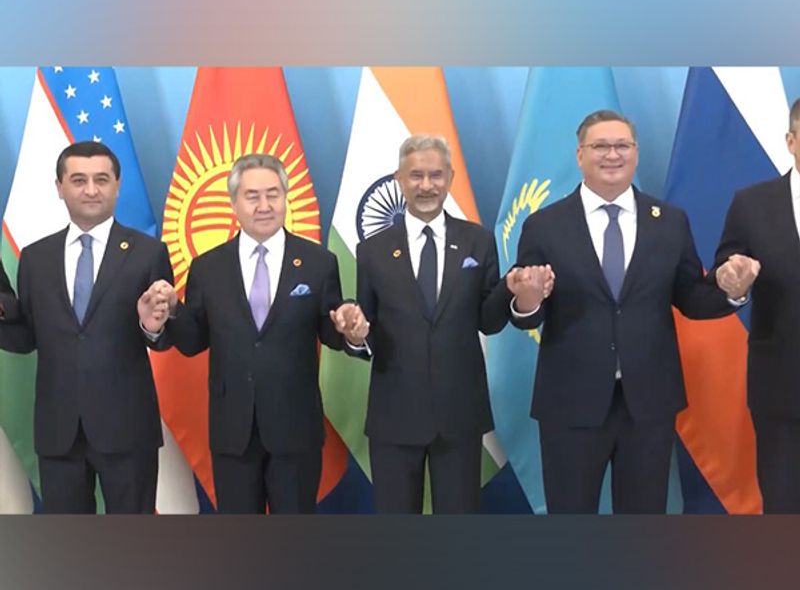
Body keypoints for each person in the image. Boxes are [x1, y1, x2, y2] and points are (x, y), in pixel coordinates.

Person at [505, 110, 752, 513]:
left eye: (622, 145)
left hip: (648, 404)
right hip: (571, 403)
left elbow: (691, 298)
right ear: (580, 155)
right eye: (600, 146)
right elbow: (530, 311)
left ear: (636, 153)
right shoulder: (544, 225)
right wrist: (528, 300)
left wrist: (732, 293)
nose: (612, 154)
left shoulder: (669, 222)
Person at [146, 153, 366, 514]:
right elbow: (193, 341)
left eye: (273, 194)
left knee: (294, 540)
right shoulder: (208, 267)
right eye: (252, 196)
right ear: (234, 203)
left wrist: (351, 330)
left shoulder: (318, 262)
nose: (264, 206)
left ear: (285, 197)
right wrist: (172, 312)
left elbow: (331, 330)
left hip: (295, 429)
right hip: (233, 431)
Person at [0, 140, 174, 513]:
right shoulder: (35, 258)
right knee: (68, 542)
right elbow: (27, 337)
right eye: (79, 180)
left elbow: (164, 338)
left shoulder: (148, 253)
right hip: (59, 432)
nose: (91, 190)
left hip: (128, 430)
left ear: (117, 185)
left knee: (133, 541)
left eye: (101, 179)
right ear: (59, 187)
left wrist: (152, 327)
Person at [349, 134, 509, 513]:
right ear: (399, 179)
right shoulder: (371, 251)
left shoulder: (478, 242)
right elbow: (366, 331)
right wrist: (356, 337)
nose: (426, 185)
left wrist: (516, 296)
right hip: (394, 416)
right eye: (416, 175)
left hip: (459, 413)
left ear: (450, 177)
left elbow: (489, 321)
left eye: (436, 175)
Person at [710, 98, 800, 513]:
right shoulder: (753, 204)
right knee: (784, 509)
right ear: (791, 141)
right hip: (782, 388)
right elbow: (724, 275)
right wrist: (734, 281)